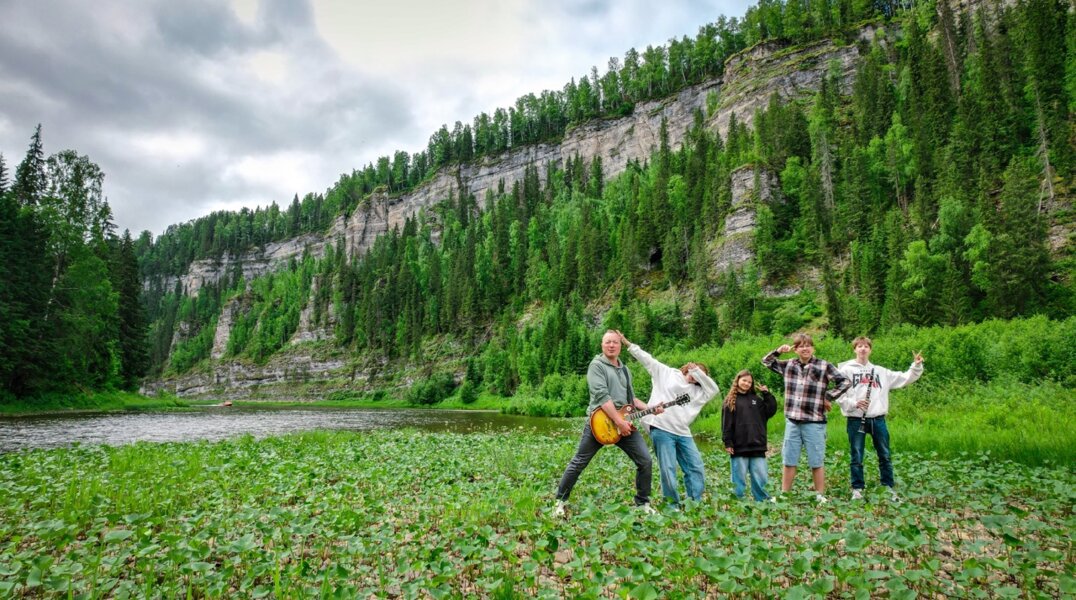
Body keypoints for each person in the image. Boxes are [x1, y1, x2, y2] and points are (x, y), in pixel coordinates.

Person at [554, 330, 663, 517]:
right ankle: (560, 502)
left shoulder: (625, 370)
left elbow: (631, 400)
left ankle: (643, 504)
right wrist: (619, 421)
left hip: (623, 422)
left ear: (620, 346)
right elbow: (603, 398)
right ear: (602, 345)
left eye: (615, 342)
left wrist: (651, 408)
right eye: (607, 342)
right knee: (579, 461)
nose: (611, 345)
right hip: (600, 422)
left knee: (645, 460)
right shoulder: (596, 366)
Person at [618, 331, 719, 509]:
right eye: (693, 371)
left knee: (695, 467)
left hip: (683, 432)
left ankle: (694, 504)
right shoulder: (667, 374)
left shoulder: (700, 393)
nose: (695, 375)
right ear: (685, 368)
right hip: (661, 428)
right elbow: (647, 360)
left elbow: (714, 389)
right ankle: (672, 506)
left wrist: (698, 371)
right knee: (668, 469)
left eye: (701, 375)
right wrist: (628, 344)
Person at [762, 333, 851, 503]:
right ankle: (784, 495)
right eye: (801, 346)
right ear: (795, 349)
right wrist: (779, 351)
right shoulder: (788, 365)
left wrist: (828, 396)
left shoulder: (824, 366)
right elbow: (766, 361)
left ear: (813, 348)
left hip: (814, 421)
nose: (805, 348)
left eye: (808, 345)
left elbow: (845, 382)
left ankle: (819, 495)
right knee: (789, 459)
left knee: (816, 460)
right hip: (792, 421)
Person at [837, 337, 924, 501]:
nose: (863, 349)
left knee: (884, 454)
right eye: (859, 346)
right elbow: (838, 395)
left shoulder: (880, 371)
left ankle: (888, 487)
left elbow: (904, 378)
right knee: (856, 455)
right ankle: (857, 489)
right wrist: (854, 403)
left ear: (870, 350)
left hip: (878, 419)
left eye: (866, 346)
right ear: (854, 349)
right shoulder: (845, 371)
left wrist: (916, 365)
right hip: (856, 419)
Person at [721, 370, 778, 502]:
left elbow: (771, 410)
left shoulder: (756, 400)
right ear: (738, 381)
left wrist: (766, 393)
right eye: (744, 380)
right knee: (738, 478)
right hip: (739, 445)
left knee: (760, 476)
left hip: (757, 444)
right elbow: (726, 424)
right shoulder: (730, 401)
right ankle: (737, 501)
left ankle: (762, 500)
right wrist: (727, 442)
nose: (746, 384)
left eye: (749, 382)